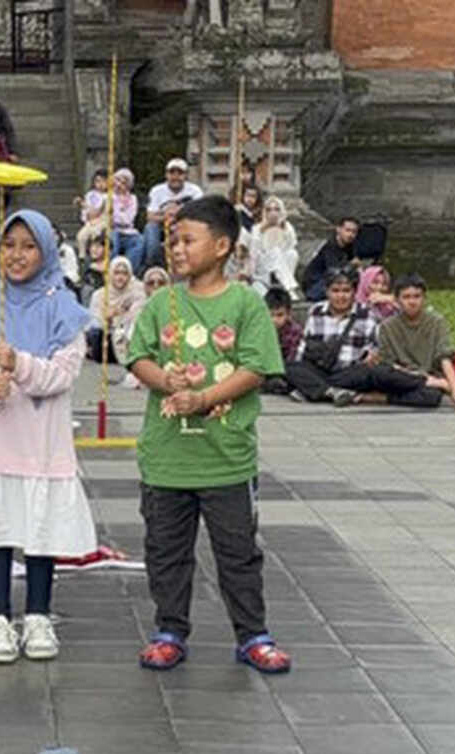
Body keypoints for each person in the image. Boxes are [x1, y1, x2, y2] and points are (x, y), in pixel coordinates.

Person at [126, 195, 291, 674]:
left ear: (221, 246)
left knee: (238, 552)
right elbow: (138, 357)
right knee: (166, 551)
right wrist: (164, 380)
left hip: (226, 457)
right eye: (172, 240)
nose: (176, 249)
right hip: (166, 456)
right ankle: (169, 630)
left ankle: (253, 634)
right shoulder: (161, 302)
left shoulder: (244, 303)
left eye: (187, 240)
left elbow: (258, 367)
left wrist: (203, 398)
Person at [0, 209, 95, 663]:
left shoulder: (67, 311)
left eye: (28, 246)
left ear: (47, 251)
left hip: (42, 441)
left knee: (41, 530)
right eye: (8, 245)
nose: (16, 256)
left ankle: (38, 614)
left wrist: (19, 365)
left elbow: (63, 374)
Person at [285, 268, 435, 407]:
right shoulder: (316, 311)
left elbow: (378, 346)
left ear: (354, 292)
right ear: (327, 292)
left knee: (373, 372)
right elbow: (304, 345)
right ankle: (330, 392)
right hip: (321, 369)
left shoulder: (367, 314)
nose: (341, 296)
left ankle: (314, 390)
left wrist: (373, 354)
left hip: (352, 373)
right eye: (335, 291)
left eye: (346, 291)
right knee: (291, 367)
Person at [376, 274, 455, 409]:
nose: (412, 302)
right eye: (406, 297)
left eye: (417, 296)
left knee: (431, 397)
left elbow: (444, 357)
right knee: (379, 373)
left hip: (430, 379)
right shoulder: (387, 326)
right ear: (397, 300)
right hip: (403, 378)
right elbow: (388, 363)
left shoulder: (437, 322)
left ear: (424, 298)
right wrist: (420, 378)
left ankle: (375, 398)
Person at [143, 158, 203, 268]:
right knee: (150, 228)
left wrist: (179, 215)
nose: (175, 177)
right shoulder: (157, 190)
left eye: (179, 173)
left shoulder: (195, 191)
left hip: (186, 225)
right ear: (166, 175)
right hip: (162, 226)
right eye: (172, 173)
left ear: (185, 175)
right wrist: (165, 216)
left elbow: (200, 214)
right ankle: (151, 265)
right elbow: (150, 216)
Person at [86, 256, 145, 364]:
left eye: (124, 273)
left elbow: (135, 318)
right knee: (95, 333)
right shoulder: (99, 295)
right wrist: (108, 320)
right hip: (107, 337)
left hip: (127, 337)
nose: (120, 277)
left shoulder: (138, 291)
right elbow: (94, 322)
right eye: (117, 273)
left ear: (130, 275)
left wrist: (115, 317)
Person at [249, 195, 300, 298]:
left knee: (292, 254)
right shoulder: (257, 228)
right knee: (275, 252)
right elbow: (253, 252)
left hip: (281, 265)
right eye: (269, 210)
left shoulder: (287, 227)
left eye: (276, 209)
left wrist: (284, 230)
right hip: (262, 265)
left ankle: (284, 284)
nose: (273, 212)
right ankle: (289, 288)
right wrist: (262, 231)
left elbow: (291, 245)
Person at [302, 216, 359, 302]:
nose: (350, 235)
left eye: (354, 232)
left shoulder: (350, 246)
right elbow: (333, 272)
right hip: (316, 285)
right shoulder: (330, 247)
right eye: (347, 230)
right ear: (338, 229)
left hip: (331, 281)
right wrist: (351, 265)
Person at [261, 287, 301, 394]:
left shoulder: (294, 330)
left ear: (288, 314)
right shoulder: (259, 328)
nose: (274, 320)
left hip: (285, 367)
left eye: (279, 315)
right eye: (270, 315)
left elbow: (293, 356)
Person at [109, 168, 144, 272]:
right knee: (113, 239)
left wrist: (117, 216)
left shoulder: (133, 199)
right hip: (112, 230)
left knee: (139, 241)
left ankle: (128, 271)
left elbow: (129, 219)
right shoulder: (108, 197)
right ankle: (112, 270)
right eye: (117, 181)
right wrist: (120, 215)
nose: (119, 185)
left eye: (123, 183)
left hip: (128, 231)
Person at [74, 169, 108, 258]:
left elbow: (99, 211)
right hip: (90, 221)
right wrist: (83, 208)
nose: (100, 184)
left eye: (103, 181)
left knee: (95, 234)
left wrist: (85, 206)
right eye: (97, 181)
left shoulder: (108, 196)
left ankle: (96, 256)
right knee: (81, 236)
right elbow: (87, 210)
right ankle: (82, 257)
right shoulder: (90, 195)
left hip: (102, 221)